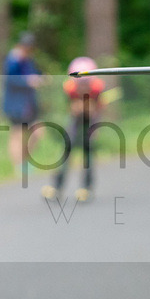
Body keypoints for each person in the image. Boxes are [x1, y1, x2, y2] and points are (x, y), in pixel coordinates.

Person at [41, 57, 106, 202]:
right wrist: (77, 108)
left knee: (88, 154)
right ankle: (57, 187)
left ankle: (87, 188)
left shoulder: (97, 88)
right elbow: (71, 108)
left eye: (85, 82)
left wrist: (91, 114)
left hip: (90, 121)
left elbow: (97, 109)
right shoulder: (70, 88)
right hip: (75, 121)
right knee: (66, 152)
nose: (82, 86)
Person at [2, 32, 43, 170]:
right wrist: (28, 82)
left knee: (38, 131)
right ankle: (18, 166)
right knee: (17, 134)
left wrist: (40, 78)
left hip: (28, 104)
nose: (28, 50)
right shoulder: (13, 60)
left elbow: (35, 73)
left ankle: (25, 160)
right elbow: (10, 80)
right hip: (15, 105)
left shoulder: (28, 60)